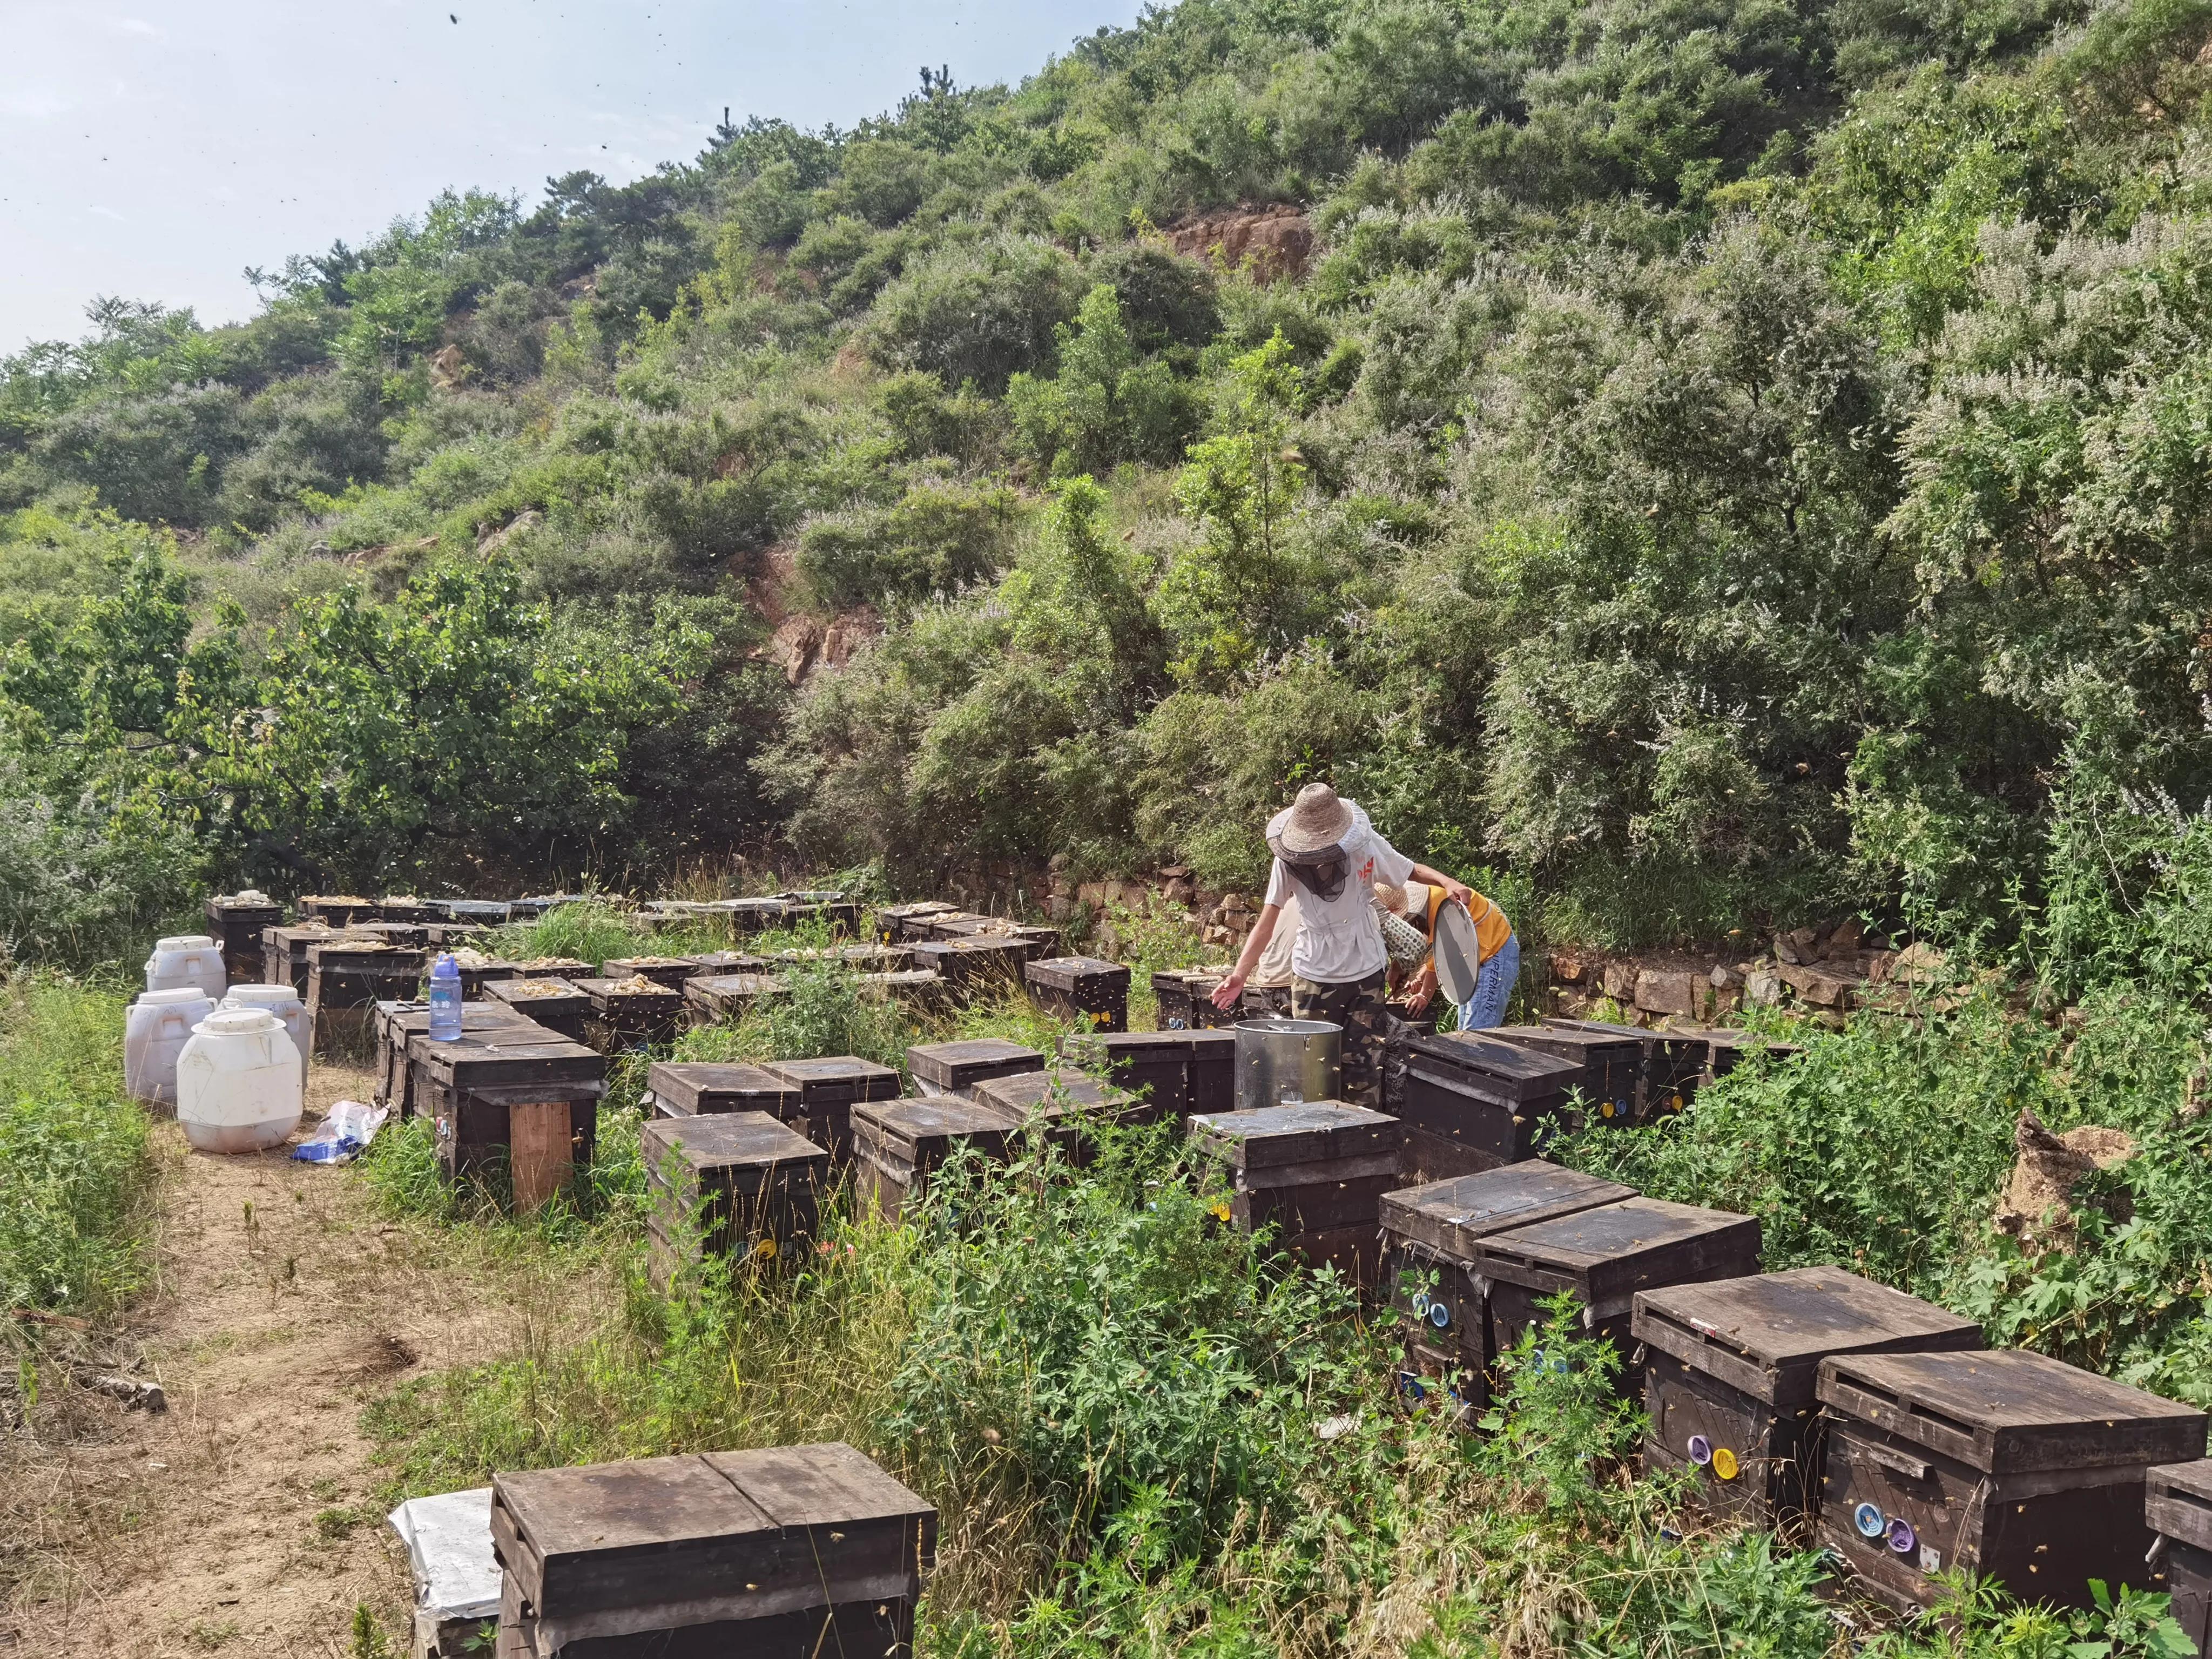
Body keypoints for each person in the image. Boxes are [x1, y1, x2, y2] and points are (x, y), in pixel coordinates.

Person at [1210, 784, 1472, 1108]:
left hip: (1366, 972)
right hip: (1313, 976)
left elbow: (1408, 869)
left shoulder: (1364, 844)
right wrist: (1239, 975)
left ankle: (1360, 1145)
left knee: (1364, 1070)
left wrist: (1447, 881)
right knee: (1309, 1073)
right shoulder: (1287, 860)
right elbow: (1267, 921)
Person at [1376, 878, 1519, 1030]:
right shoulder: (1424, 904)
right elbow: (1430, 953)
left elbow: (1441, 957)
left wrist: (1425, 995)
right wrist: (1404, 972)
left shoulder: (1439, 905)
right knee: (1465, 1032)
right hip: (1470, 956)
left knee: (1478, 1031)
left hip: (1493, 951)